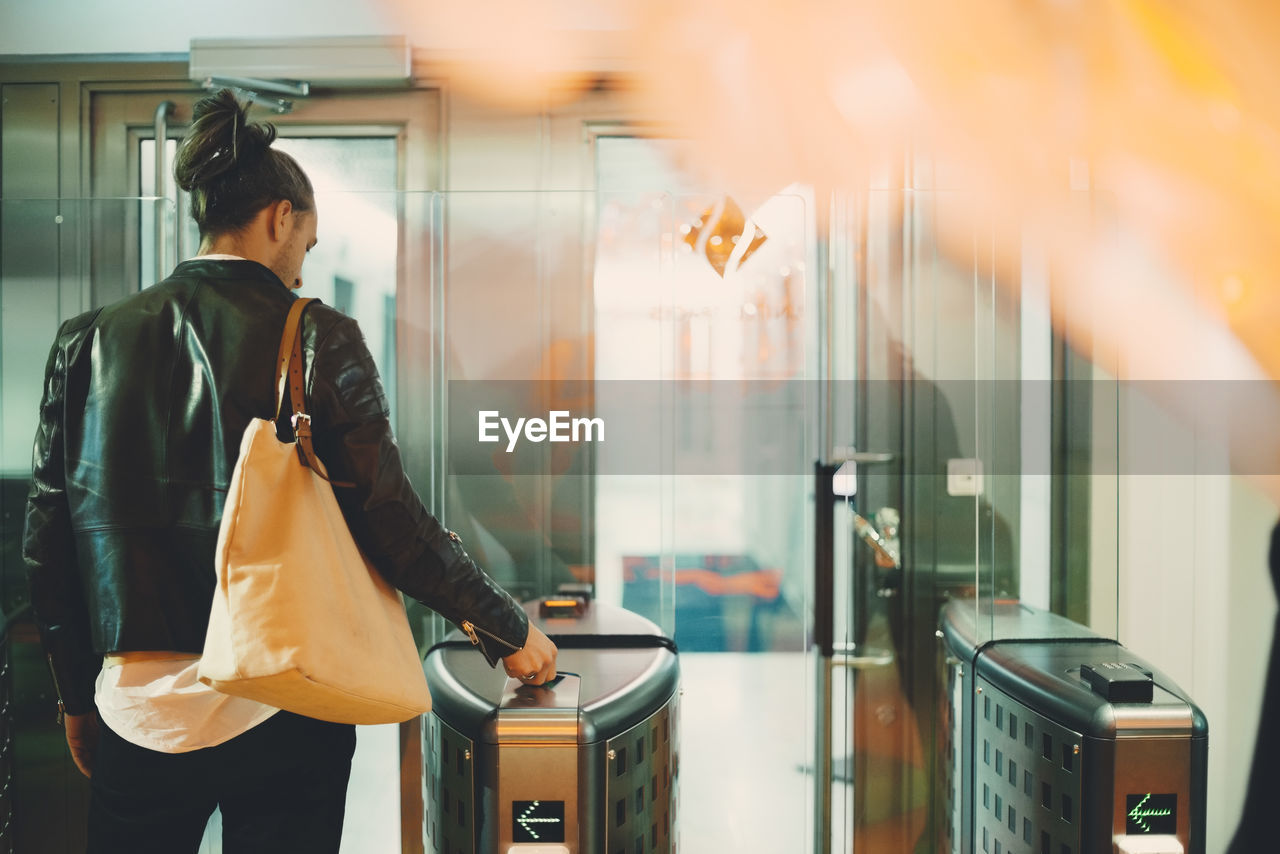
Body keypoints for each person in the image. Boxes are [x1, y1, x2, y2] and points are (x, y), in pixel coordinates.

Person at [21, 88, 557, 853]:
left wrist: (77, 697)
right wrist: (507, 629)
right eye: (306, 243)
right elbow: (391, 518)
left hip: (139, 710)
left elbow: (49, 545)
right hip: (286, 701)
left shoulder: (87, 343)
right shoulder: (317, 335)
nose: (302, 264)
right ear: (280, 218)